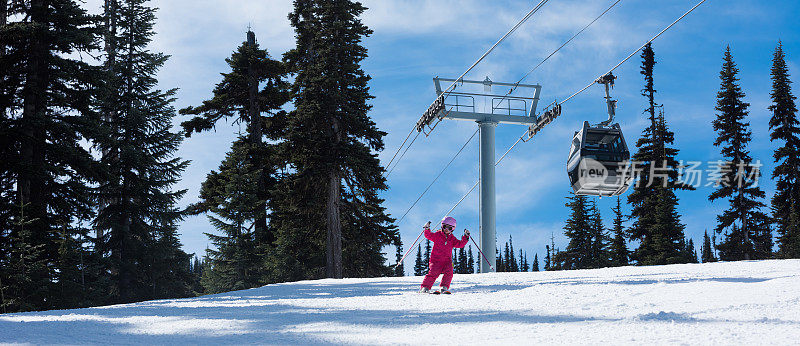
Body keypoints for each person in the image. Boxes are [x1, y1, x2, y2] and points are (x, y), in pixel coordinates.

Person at [419, 216, 470, 294]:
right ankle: (425, 288)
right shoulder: (437, 235)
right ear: (442, 226)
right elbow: (428, 235)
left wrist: (466, 237)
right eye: (445, 227)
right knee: (433, 273)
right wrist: (427, 229)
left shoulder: (452, 238)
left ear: (453, 229)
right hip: (436, 260)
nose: (447, 229)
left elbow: (460, 244)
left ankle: (444, 287)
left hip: (447, 261)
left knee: (449, 273)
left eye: (450, 228)